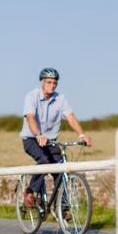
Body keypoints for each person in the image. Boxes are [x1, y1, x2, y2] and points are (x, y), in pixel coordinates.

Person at [21, 68, 90, 209]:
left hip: (50, 141)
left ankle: (63, 207)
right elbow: (30, 117)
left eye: (54, 83)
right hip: (31, 138)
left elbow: (70, 117)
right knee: (44, 161)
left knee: (60, 168)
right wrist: (38, 135)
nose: (52, 85)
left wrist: (81, 134)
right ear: (42, 82)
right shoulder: (31, 96)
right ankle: (30, 191)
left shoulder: (60, 98)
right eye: (49, 82)